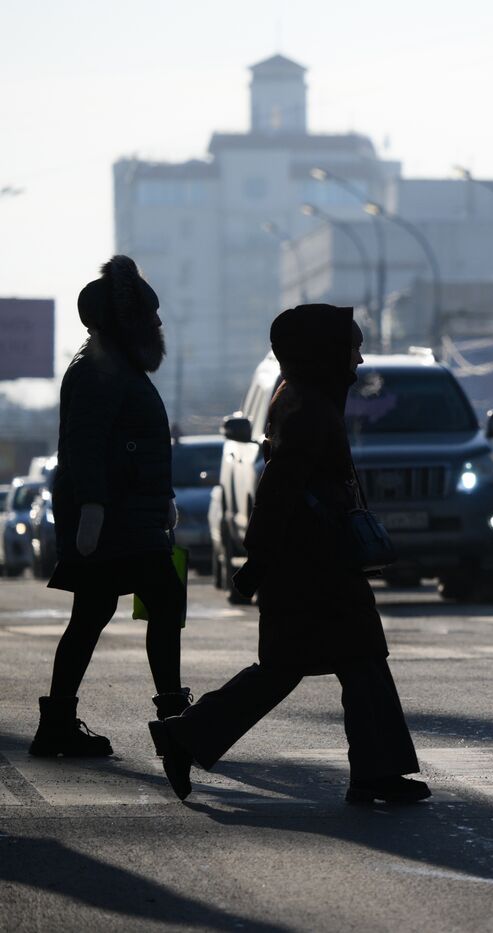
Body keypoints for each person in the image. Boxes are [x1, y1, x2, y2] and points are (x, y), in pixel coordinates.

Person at [150, 304, 428, 805]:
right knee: (321, 662)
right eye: (351, 349)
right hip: (310, 568)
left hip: (313, 564)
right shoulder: (307, 409)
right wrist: (259, 560)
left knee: (340, 662)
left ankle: (374, 771)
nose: (358, 362)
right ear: (324, 353)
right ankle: (185, 736)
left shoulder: (304, 399)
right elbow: (279, 491)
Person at [30, 255, 190, 758]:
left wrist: (162, 501)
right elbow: (85, 442)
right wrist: (95, 507)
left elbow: (137, 443)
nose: (158, 323)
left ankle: (57, 722)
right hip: (116, 520)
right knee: (162, 601)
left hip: (129, 515)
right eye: (149, 314)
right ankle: (174, 718)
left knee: (96, 613)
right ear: (126, 321)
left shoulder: (115, 364)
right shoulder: (101, 367)